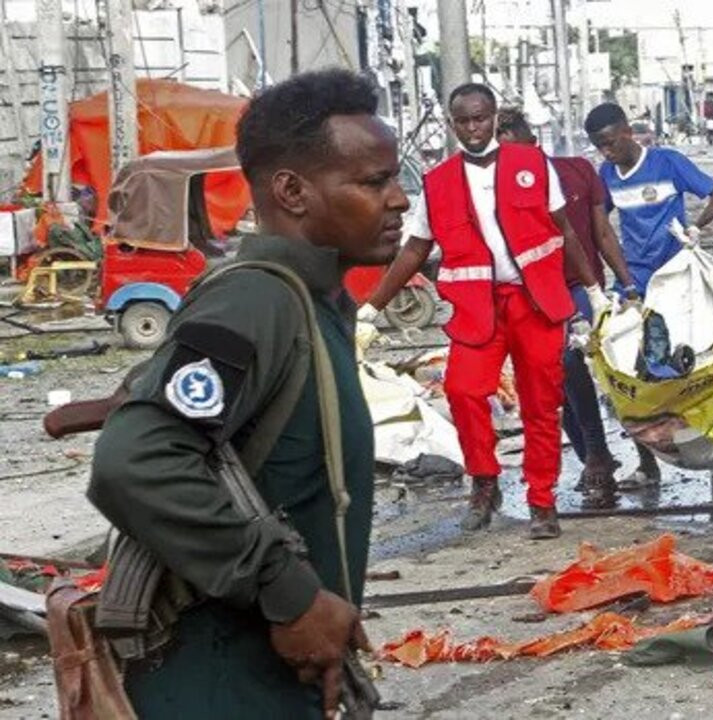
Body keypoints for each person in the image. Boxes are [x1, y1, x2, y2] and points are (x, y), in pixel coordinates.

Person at [86, 69, 404, 717]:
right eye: (374, 182)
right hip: (221, 684)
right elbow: (135, 460)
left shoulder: (318, 305)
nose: (398, 200)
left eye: (395, 180)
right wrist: (288, 591)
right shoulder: (256, 299)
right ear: (291, 191)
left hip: (273, 682)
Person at [364, 84, 607, 539]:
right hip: (479, 308)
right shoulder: (438, 183)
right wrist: (370, 308)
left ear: (494, 118)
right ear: (451, 123)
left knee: (540, 404)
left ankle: (542, 500)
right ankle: (484, 481)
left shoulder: (532, 165)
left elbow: (566, 234)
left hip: (535, 302)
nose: (473, 129)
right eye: (463, 121)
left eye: (480, 118)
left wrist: (593, 290)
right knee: (463, 390)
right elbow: (416, 248)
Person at [584, 102, 713, 490]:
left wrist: (697, 227)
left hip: (678, 278)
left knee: (697, 364)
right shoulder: (607, 175)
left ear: (627, 132)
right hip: (636, 279)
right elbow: (602, 227)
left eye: (611, 142)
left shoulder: (667, 163)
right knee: (630, 375)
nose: (607, 152)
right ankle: (646, 462)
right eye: (599, 146)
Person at [495, 109, 636, 509]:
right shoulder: (495, 190)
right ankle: (593, 457)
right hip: (529, 292)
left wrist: (626, 283)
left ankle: (594, 450)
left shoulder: (576, 171)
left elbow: (602, 232)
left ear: (532, 142)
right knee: (547, 379)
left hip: (577, 287)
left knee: (570, 359)